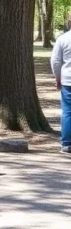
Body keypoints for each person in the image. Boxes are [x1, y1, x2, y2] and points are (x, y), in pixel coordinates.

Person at [49, 18, 71, 154]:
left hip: (68, 80)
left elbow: (55, 61)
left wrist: (58, 78)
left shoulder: (63, 39)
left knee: (68, 112)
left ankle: (67, 143)